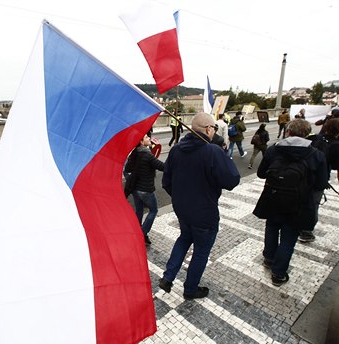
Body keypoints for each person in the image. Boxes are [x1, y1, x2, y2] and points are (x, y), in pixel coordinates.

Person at [158, 112, 240, 300]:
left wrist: (180, 198)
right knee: (201, 251)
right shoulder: (212, 151)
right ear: (208, 129)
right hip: (204, 212)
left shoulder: (176, 149)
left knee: (184, 238)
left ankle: (168, 277)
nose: (215, 132)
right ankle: (190, 289)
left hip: (182, 209)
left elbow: (166, 181)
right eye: (214, 128)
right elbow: (232, 179)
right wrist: (225, 156)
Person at [252, 119, 327, 286]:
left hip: (273, 198)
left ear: (288, 132)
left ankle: (269, 259)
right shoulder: (316, 155)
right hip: (298, 203)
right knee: (289, 237)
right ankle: (278, 274)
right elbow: (321, 184)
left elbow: (261, 173)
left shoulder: (273, 150)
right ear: (307, 134)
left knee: (271, 228)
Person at [299, 118, 339, 243]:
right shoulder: (338, 147)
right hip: (317, 181)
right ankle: (306, 232)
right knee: (312, 205)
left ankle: (292, 223)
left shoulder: (312, 138)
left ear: (325, 127)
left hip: (299, 176)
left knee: (298, 200)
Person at [126, 134, 165, 245]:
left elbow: (128, 168)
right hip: (145, 190)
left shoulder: (135, 153)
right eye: (147, 137)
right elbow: (163, 167)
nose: (149, 138)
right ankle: (142, 233)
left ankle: (137, 231)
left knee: (139, 210)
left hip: (135, 189)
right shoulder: (147, 155)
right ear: (142, 142)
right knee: (153, 210)